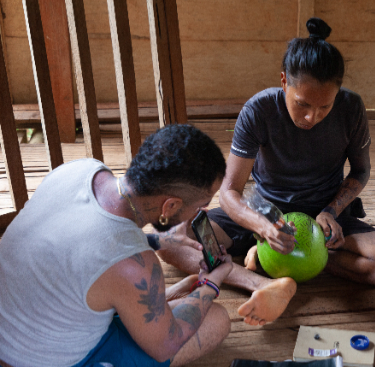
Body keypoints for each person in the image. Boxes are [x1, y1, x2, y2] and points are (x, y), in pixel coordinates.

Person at [157, 17, 375, 326]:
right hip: (265, 213)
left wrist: (332, 210)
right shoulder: (259, 110)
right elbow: (229, 192)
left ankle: (295, 259)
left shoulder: (351, 108)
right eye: (302, 104)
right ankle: (264, 283)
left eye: (324, 107)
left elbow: (361, 170)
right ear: (283, 81)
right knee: (173, 239)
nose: (312, 116)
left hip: (324, 215)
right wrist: (263, 228)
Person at [0, 124, 233, 367]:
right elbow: (165, 347)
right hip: (36, 361)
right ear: (169, 207)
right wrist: (210, 284)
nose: (203, 211)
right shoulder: (133, 266)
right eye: (201, 204)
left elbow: (85, 245)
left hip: (17, 328)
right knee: (215, 319)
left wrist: (157, 240)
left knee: (178, 293)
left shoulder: (81, 169)